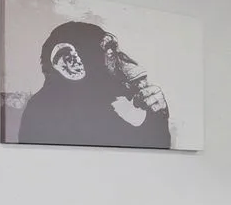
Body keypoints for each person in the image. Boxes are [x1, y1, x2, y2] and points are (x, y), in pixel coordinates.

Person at [18, 20, 171, 148]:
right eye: (110, 53)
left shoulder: (94, 105)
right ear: (71, 63)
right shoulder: (44, 112)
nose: (134, 67)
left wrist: (156, 119)